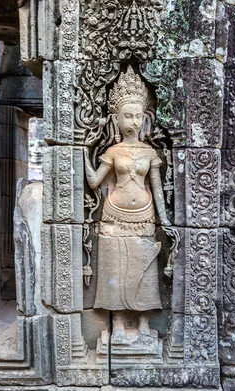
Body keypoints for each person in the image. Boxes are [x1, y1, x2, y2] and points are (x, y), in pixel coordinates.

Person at [84, 67, 171, 341]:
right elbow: (96, 182)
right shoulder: (113, 151)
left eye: (136, 116)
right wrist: (82, 151)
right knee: (115, 268)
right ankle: (118, 323)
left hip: (144, 217)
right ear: (116, 119)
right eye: (127, 116)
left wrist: (165, 218)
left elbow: (157, 188)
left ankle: (144, 323)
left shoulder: (149, 152)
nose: (132, 122)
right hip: (113, 216)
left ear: (145, 118)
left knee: (144, 269)